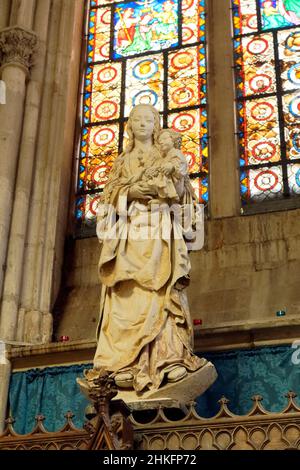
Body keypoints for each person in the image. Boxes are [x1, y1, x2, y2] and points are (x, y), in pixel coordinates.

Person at [92, 104, 206, 394]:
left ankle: (165, 360)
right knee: (126, 292)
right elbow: (108, 197)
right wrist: (129, 192)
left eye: (148, 119)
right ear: (129, 125)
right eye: (137, 119)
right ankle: (122, 365)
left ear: (156, 125)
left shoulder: (166, 154)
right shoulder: (122, 161)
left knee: (161, 290)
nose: (143, 123)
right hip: (128, 234)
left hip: (158, 231)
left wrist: (173, 182)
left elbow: (183, 195)